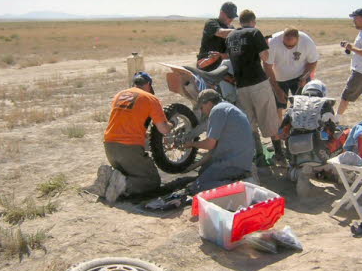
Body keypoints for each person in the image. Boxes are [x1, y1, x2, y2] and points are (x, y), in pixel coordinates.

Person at [85, 72, 173, 205]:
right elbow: (164, 129)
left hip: (109, 147)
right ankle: (121, 184)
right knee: (151, 181)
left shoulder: (120, 95)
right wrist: (172, 124)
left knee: (131, 172)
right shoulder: (150, 98)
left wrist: (146, 135)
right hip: (128, 149)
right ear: (149, 84)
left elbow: (127, 122)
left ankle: (110, 176)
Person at [225, 9, 285, 164]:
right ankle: (279, 154)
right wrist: (265, 45)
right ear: (253, 21)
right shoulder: (254, 32)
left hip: (241, 86)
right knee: (270, 118)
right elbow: (265, 57)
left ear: (240, 21)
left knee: (250, 122)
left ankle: (259, 156)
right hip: (258, 82)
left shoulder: (230, 37)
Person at [183, 89, 255, 193]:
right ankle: (237, 179)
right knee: (202, 172)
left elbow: (209, 144)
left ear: (208, 103)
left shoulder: (217, 110)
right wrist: (191, 168)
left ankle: (241, 185)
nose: (202, 111)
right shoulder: (227, 107)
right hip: (243, 160)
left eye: (202, 107)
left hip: (234, 163)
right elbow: (211, 153)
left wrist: (191, 144)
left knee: (198, 187)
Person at [263, 27, 320, 119]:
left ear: (298, 39)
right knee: (278, 106)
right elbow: (267, 66)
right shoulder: (273, 42)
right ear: (282, 38)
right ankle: (279, 128)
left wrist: (304, 77)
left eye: (291, 46)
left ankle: (300, 125)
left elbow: (313, 61)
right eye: (285, 44)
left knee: (303, 103)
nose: (288, 48)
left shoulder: (307, 41)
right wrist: (277, 89)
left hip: (300, 75)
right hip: (278, 77)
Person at [197, 1, 238, 71]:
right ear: (221, 13)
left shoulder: (232, 29)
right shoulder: (211, 23)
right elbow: (221, 33)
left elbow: (232, 53)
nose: (231, 19)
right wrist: (242, 32)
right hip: (206, 64)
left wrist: (221, 56)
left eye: (233, 17)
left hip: (222, 65)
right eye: (229, 16)